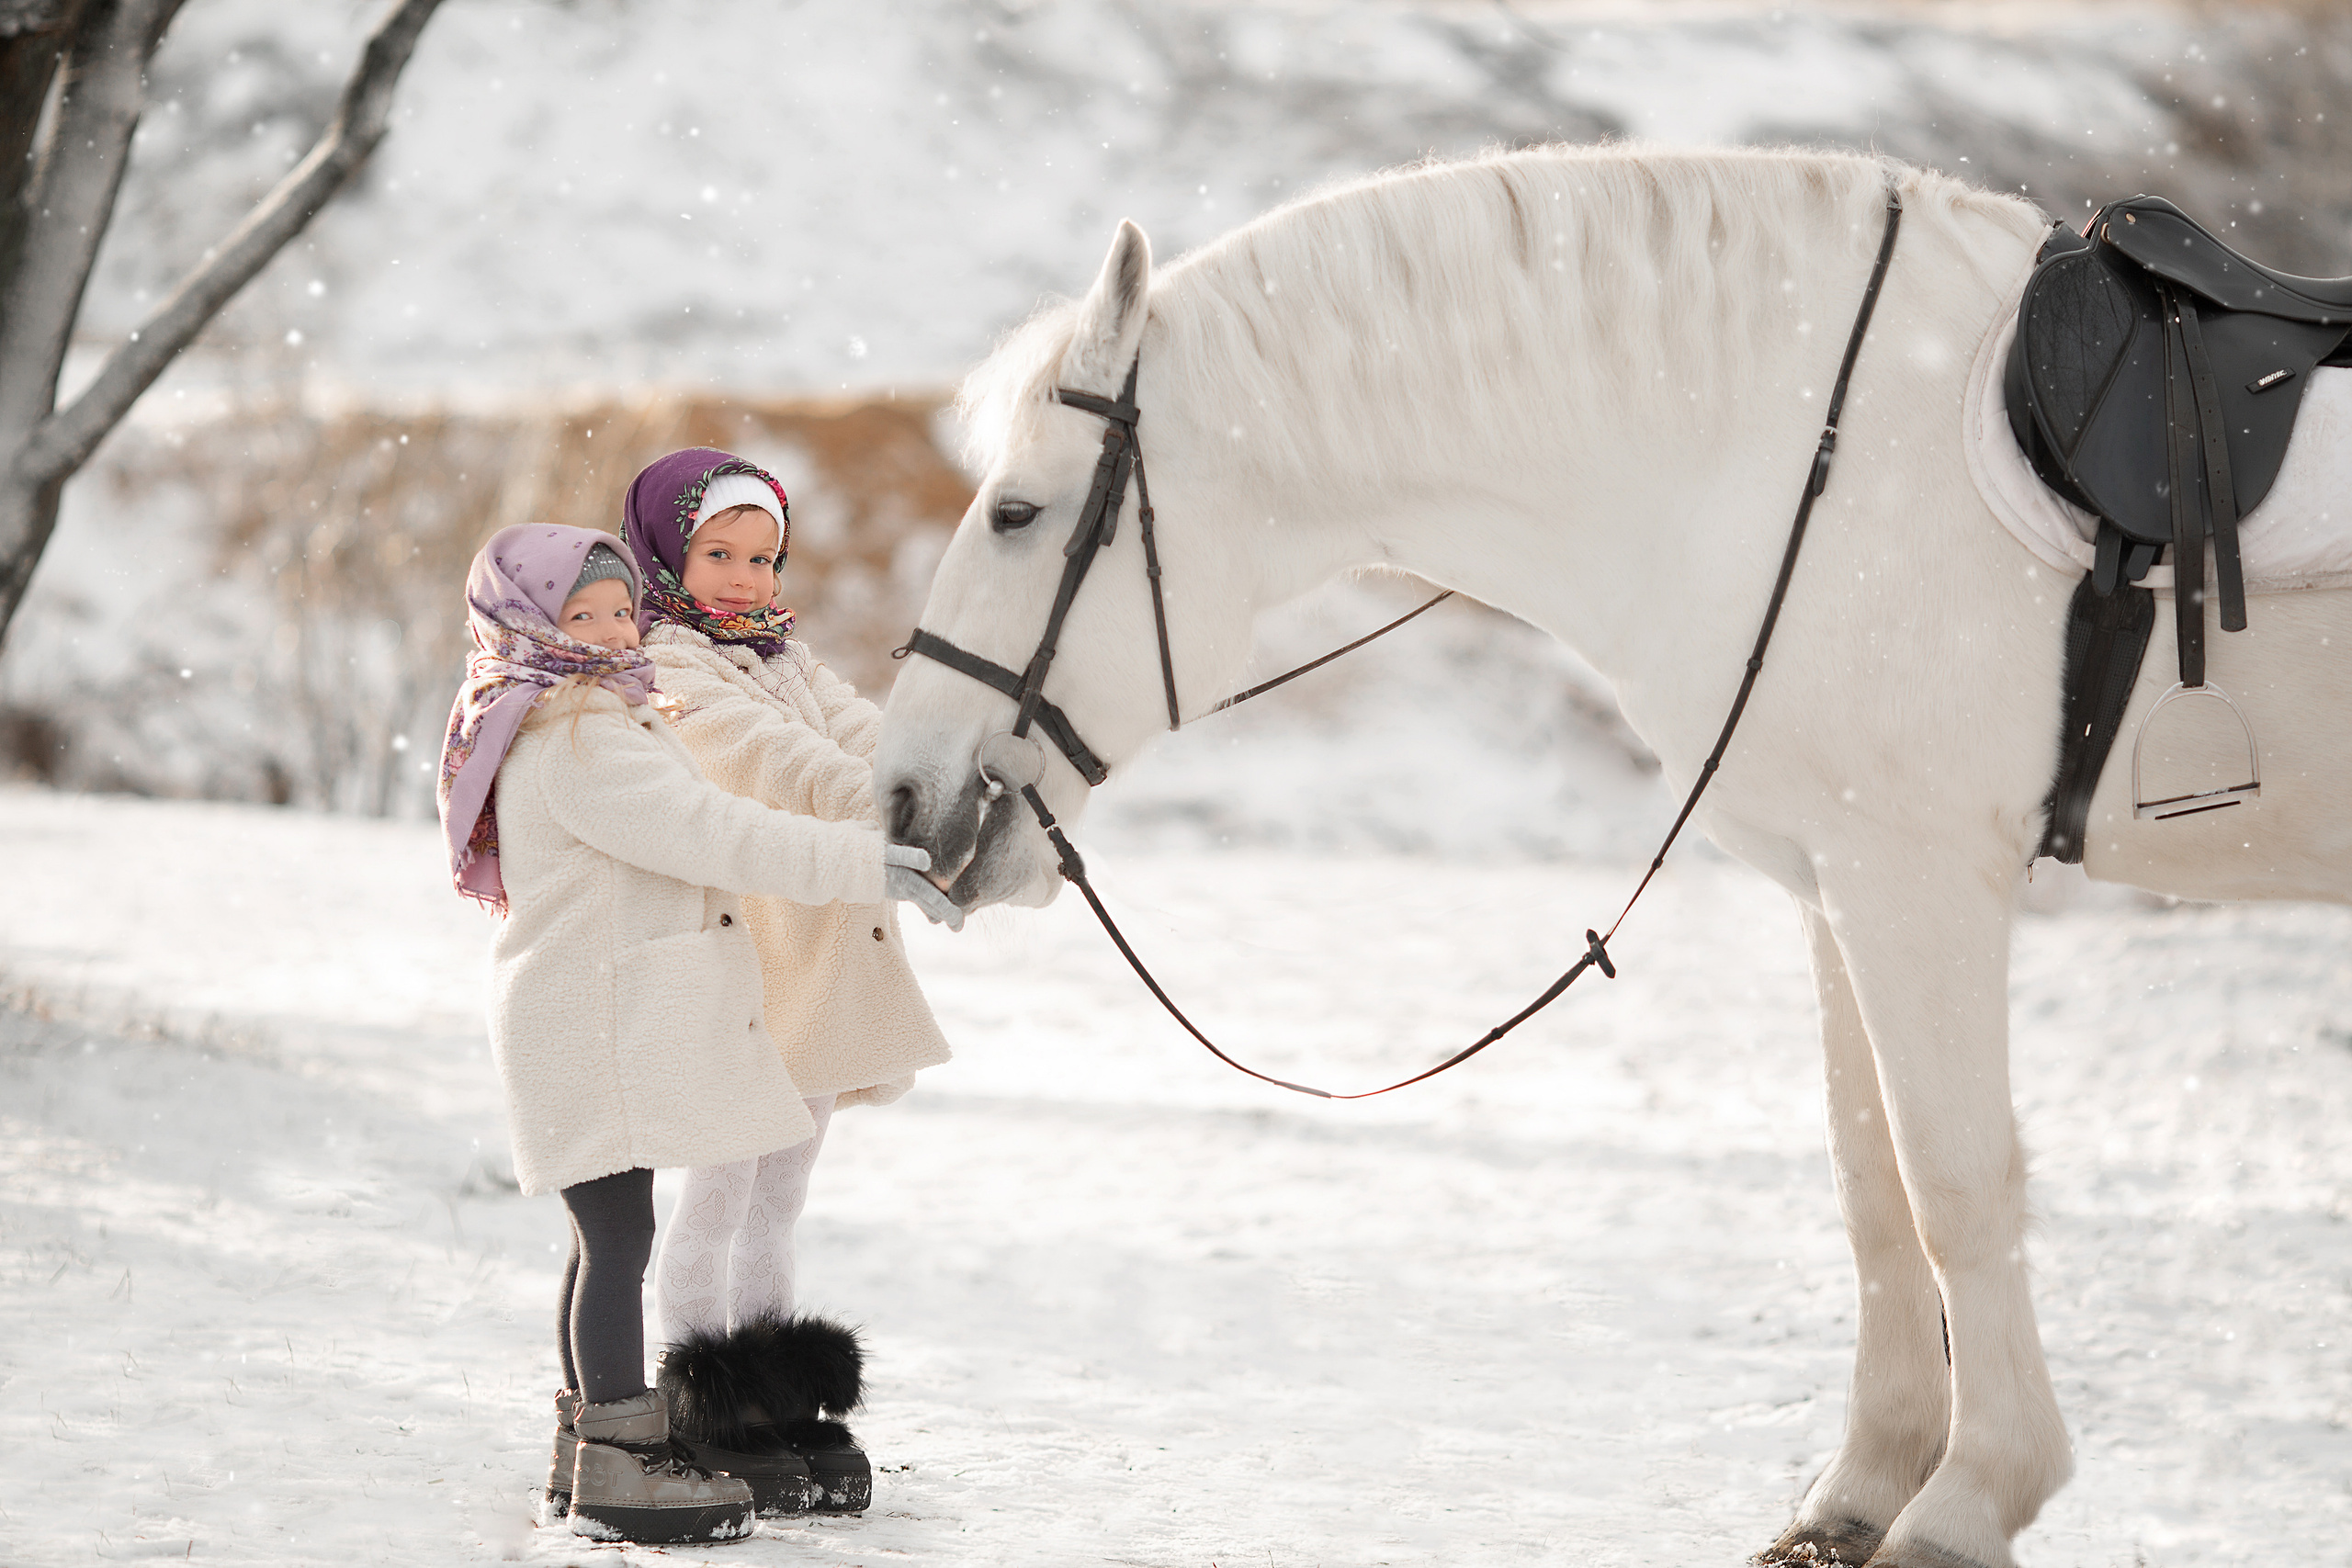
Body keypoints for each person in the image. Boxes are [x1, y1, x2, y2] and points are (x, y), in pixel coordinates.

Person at [435, 524, 954, 1543]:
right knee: (618, 1239)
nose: (609, 629)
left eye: (619, 609)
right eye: (578, 615)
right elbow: (712, 830)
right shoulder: (574, 734)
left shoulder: (586, 711)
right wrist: (868, 862)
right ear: (523, 621)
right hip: (591, 1016)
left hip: (600, 1009)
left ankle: (593, 1443)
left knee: (610, 1239)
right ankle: (622, 1458)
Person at [618, 449, 956, 1516]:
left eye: (763, 558)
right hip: (740, 956)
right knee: (718, 1193)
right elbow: (761, 758)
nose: (744, 579)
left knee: (780, 1197)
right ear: (671, 550)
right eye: (719, 553)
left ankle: (771, 1397)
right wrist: (874, 801)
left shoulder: (779, 652)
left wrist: (927, 776)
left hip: (811, 956)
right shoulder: (665, 662)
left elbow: (858, 729)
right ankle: (701, 1393)